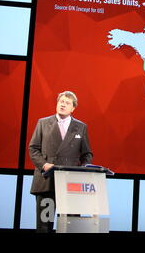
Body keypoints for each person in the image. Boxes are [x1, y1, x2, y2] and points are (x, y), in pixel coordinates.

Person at [29, 91, 93, 233]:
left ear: (73, 108)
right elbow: (33, 149)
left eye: (67, 103)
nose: (63, 104)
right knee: (44, 226)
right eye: (61, 101)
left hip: (71, 185)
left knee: (70, 226)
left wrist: (80, 172)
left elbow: (87, 154)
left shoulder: (81, 127)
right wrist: (44, 165)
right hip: (47, 182)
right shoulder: (43, 123)